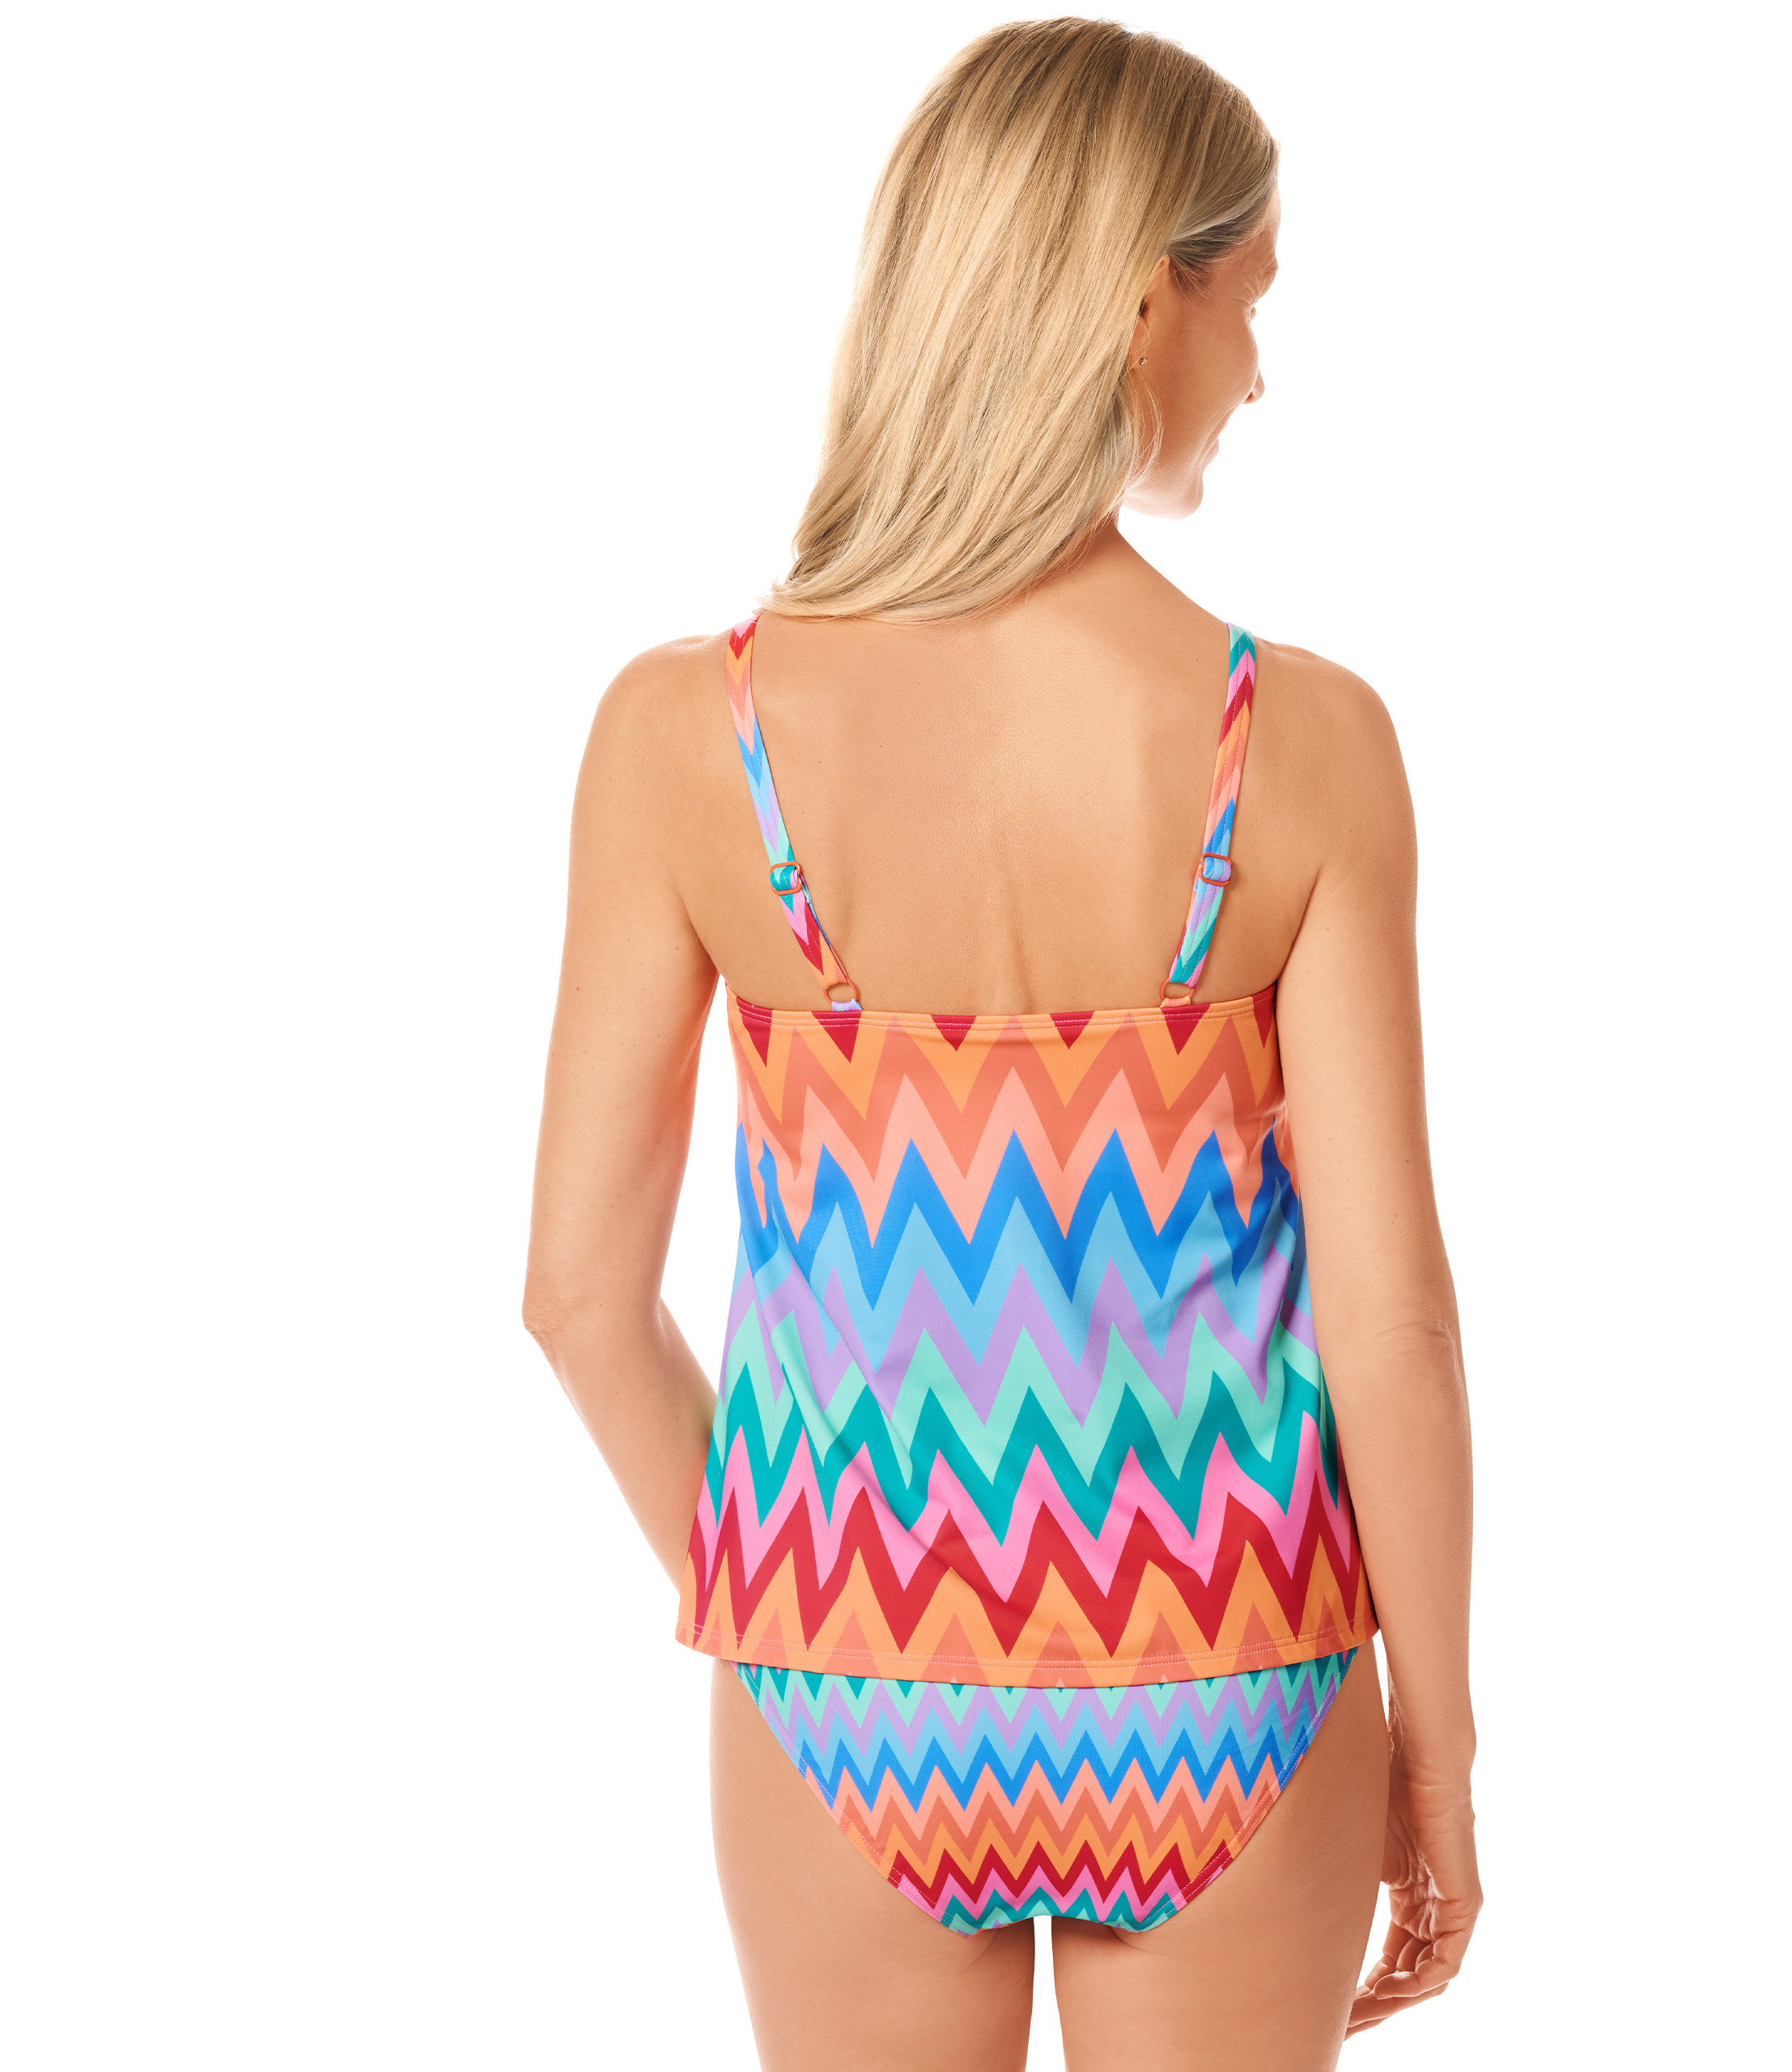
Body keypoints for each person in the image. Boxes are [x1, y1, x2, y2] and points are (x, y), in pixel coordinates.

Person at [523, 19, 1479, 2070]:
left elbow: (577, 1296)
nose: (1256, 370)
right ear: (1143, 299)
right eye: (1248, 301)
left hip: (845, 1670)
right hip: (1231, 1656)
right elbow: (1389, 1319)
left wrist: (817, 1610)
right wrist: (1440, 1751)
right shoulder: (1301, 742)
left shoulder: (687, 735)